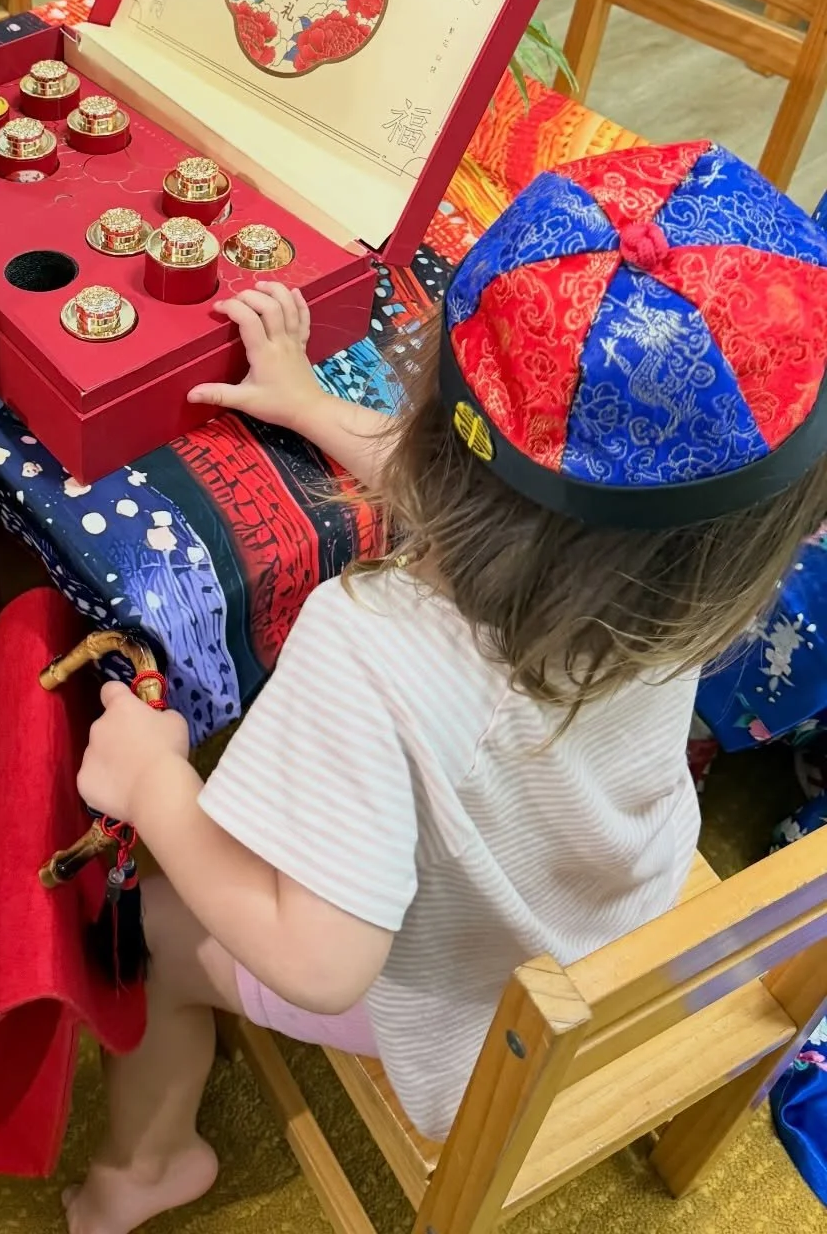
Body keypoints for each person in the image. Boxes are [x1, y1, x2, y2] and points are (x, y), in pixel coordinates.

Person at [65, 140, 827, 1231]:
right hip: (613, 902)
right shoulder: (680, 588)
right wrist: (311, 406)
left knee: (147, 925)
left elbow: (318, 964)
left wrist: (154, 787)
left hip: (468, 1010)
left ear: (436, 403)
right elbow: (538, 521)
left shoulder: (367, 643)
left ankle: (146, 1168)